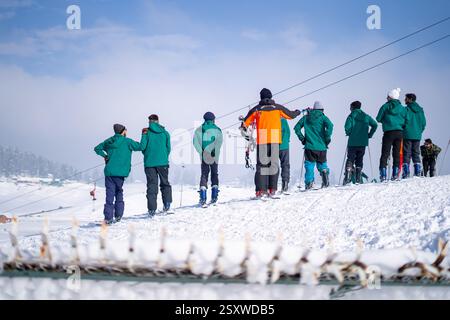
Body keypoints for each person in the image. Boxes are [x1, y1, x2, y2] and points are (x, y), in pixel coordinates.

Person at [241, 88, 301, 199]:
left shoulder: (256, 109)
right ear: (271, 96)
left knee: (262, 165)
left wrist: (246, 134)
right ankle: (272, 190)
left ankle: (261, 191)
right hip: (275, 138)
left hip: (263, 138)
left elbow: (244, 124)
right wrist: (298, 112)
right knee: (273, 164)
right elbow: (291, 115)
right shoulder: (278, 108)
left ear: (261, 97)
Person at [94, 124, 143, 225]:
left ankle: (108, 218)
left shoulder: (109, 141)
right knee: (119, 192)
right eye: (126, 130)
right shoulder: (128, 141)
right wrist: (145, 135)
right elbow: (141, 147)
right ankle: (118, 215)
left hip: (109, 172)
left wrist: (105, 155)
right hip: (121, 173)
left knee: (109, 195)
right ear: (123, 131)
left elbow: (97, 148)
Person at [294, 101, 334, 190]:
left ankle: (309, 183)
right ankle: (324, 174)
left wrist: (302, 139)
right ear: (322, 110)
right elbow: (330, 126)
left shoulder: (306, 117)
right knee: (322, 164)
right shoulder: (323, 118)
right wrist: (327, 139)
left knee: (309, 165)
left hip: (309, 147)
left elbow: (296, 128)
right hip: (322, 147)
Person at [141, 114, 172, 217]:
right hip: (163, 162)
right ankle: (167, 204)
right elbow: (168, 148)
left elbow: (142, 147)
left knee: (152, 185)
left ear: (149, 121)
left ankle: (152, 209)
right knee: (165, 183)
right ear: (158, 121)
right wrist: (163, 157)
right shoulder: (165, 133)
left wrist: (147, 154)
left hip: (149, 163)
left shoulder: (146, 133)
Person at [376, 88, 407, 181]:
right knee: (396, 154)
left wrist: (385, 121)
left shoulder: (385, 106)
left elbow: (378, 118)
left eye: (388, 96)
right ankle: (395, 174)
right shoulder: (402, 108)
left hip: (388, 132)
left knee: (385, 154)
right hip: (399, 132)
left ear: (390, 97)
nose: (386, 98)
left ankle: (383, 175)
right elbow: (406, 120)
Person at [343, 101, 378, 185]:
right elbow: (375, 125)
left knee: (350, 158)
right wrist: (369, 135)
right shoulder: (366, 116)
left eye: (350, 107)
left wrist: (349, 133)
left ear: (353, 107)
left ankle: (347, 178)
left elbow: (347, 127)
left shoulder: (351, 116)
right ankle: (358, 179)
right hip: (363, 142)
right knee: (359, 159)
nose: (350, 109)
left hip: (352, 142)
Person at [193, 112, 223, 206]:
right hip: (215, 156)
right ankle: (214, 196)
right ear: (213, 119)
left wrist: (201, 152)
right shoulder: (217, 129)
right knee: (214, 173)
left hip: (204, 156)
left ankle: (203, 197)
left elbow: (195, 143)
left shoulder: (199, 130)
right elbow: (219, 142)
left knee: (204, 174)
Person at [403, 93, 426, 178]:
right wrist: (419, 131)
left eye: (406, 98)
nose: (404, 100)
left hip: (407, 134)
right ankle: (417, 172)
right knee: (416, 152)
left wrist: (404, 129)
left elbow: (403, 121)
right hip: (417, 135)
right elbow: (424, 123)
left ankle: (406, 173)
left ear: (410, 99)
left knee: (407, 152)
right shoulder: (420, 110)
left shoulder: (406, 109)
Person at [279, 118, 291, 193]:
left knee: (273, 166)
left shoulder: (272, 120)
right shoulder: (283, 120)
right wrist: (286, 141)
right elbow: (288, 132)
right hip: (284, 146)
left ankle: (270, 187)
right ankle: (285, 183)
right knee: (285, 165)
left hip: (274, 145)